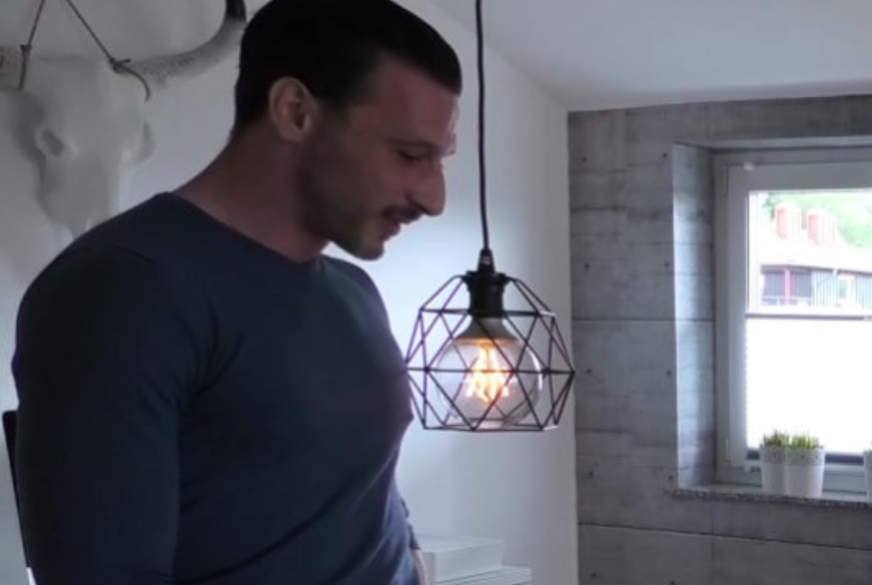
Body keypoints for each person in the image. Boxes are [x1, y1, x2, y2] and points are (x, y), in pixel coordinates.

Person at [11, 1, 461, 584]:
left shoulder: (355, 293)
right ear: (295, 111)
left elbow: (366, 497)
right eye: (409, 155)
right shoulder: (120, 290)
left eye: (438, 159)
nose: (433, 198)